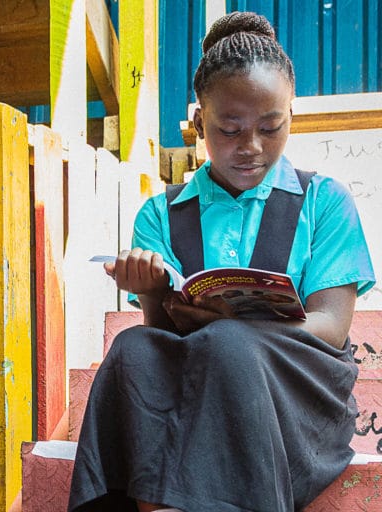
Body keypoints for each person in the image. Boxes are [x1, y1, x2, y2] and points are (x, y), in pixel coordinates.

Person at [68, 11, 375, 512]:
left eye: (270, 128)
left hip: (293, 405)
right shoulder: (161, 213)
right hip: (197, 387)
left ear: (290, 118)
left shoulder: (324, 200)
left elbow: (332, 329)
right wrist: (150, 290)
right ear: (198, 125)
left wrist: (241, 324)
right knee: (133, 348)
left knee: (229, 343)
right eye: (229, 130)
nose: (251, 147)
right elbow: (165, 338)